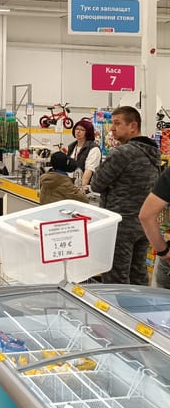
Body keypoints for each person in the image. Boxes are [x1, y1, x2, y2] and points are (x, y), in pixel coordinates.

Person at [90, 106, 160, 284]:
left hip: (119, 225)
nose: (112, 128)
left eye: (117, 123)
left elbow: (97, 183)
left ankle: (115, 312)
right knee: (139, 274)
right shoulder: (153, 153)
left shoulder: (122, 153)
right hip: (143, 225)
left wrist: (110, 182)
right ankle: (138, 311)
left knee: (115, 278)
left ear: (133, 126)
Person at [67, 118, 101, 187]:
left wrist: (80, 189)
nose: (78, 131)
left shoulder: (94, 149)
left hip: (85, 188)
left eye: (82, 130)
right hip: (70, 185)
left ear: (88, 132)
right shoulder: (72, 146)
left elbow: (88, 172)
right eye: (77, 129)